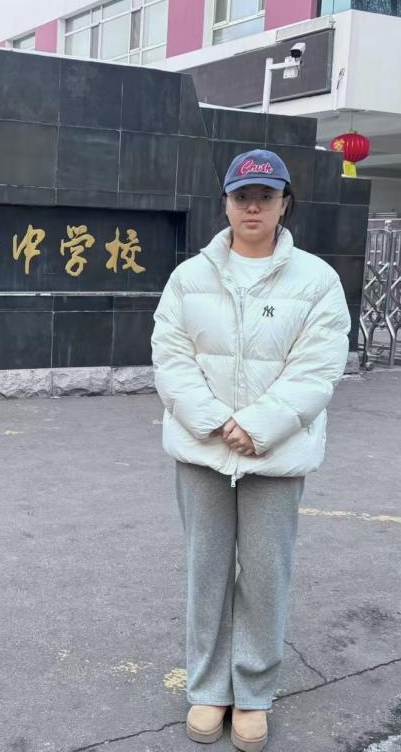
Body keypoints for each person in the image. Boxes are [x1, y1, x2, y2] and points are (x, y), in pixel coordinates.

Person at [150, 149, 351, 751]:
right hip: (203, 449)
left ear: (285, 203)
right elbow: (170, 355)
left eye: (266, 196)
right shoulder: (190, 277)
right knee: (206, 571)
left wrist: (259, 426)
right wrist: (214, 421)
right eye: (243, 196)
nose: (253, 207)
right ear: (226, 204)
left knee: (265, 575)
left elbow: (318, 367)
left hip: (275, 454)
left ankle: (254, 691)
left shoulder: (316, 280)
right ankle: (209, 687)